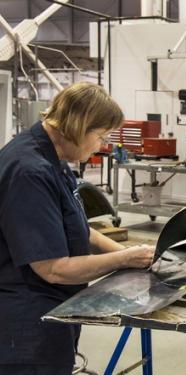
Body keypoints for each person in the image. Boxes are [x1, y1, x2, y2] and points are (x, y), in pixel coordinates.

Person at [0, 82, 155, 374]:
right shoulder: (29, 172)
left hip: (52, 310)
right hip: (25, 325)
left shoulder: (54, 158)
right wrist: (124, 260)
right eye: (100, 136)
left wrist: (135, 254)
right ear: (78, 126)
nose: (102, 146)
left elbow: (80, 229)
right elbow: (53, 268)